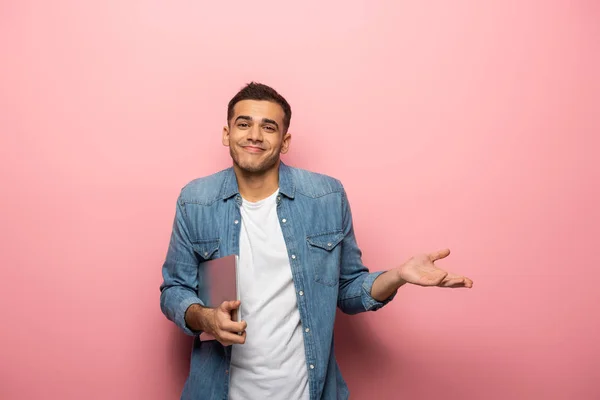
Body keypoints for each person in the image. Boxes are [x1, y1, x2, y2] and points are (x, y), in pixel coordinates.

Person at [159, 82, 473, 400]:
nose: (254, 135)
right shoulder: (196, 201)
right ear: (227, 134)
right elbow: (174, 290)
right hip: (218, 391)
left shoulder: (326, 197)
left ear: (284, 141)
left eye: (268, 127)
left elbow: (348, 290)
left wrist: (398, 276)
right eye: (244, 124)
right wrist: (206, 317)